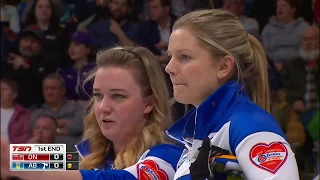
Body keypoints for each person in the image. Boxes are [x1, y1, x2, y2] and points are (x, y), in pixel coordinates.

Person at [0, 46, 183, 180]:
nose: (103, 107)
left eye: (118, 96)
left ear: (148, 104)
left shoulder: (169, 157)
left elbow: (118, 178)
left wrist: (27, 170)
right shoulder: (88, 154)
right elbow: (46, 157)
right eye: (98, 95)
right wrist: (13, 157)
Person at [164, 9, 299, 179]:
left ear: (224, 67)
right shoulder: (196, 138)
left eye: (184, 57)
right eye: (170, 57)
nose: (169, 68)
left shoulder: (249, 125)